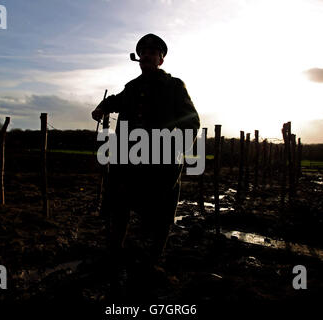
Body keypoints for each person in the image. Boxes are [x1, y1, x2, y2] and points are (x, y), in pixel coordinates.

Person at [91, 33, 200, 298]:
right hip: (129, 161)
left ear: (161, 58)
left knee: (160, 216)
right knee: (119, 208)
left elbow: (192, 121)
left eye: (154, 52)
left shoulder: (174, 86)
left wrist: (170, 149)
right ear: (138, 57)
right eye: (145, 52)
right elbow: (114, 100)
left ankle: (151, 263)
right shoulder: (131, 87)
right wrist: (101, 107)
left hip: (161, 164)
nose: (149, 56)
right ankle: (115, 256)